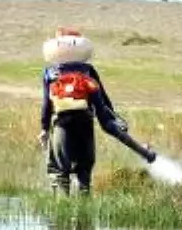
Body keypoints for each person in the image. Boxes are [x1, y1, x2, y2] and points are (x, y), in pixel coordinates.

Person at [38, 27, 141, 195]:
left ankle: (61, 213)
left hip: (60, 122)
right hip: (85, 121)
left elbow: (46, 104)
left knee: (59, 170)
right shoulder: (88, 70)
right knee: (83, 170)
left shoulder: (50, 72)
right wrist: (112, 119)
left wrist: (43, 129)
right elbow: (102, 99)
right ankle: (84, 213)